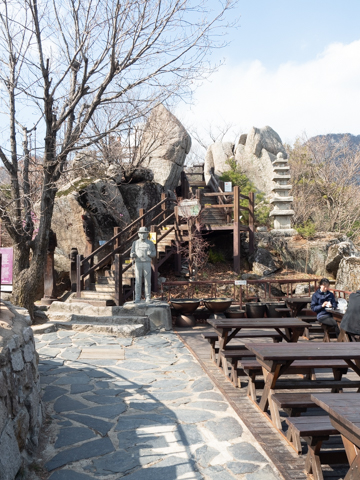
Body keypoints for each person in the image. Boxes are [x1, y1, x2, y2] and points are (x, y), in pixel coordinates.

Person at [130, 226, 156, 303]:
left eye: (144, 233)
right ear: (138, 234)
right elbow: (131, 253)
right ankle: (137, 297)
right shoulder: (135, 243)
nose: (143, 235)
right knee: (138, 281)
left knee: (147, 281)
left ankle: (148, 297)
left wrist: (150, 254)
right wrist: (133, 255)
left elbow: (154, 253)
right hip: (138, 263)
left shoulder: (150, 243)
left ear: (147, 234)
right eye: (141, 233)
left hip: (147, 263)